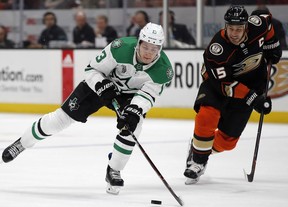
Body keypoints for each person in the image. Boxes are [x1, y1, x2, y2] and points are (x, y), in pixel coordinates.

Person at [1, 22, 174, 195]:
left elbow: (148, 95)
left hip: (129, 96)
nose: (149, 53)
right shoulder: (120, 48)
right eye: (146, 47)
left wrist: (135, 111)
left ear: (159, 49)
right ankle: (22, 143)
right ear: (139, 43)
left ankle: (114, 170)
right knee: (60, 119)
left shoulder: (163, 69)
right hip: (101, 85)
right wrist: (102, 85)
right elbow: (92, 70)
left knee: (133, 126)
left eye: (154, 49)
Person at [184, 5, 282, 184]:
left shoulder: (257, 24)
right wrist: (253, 98)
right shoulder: (217, 49)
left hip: (252, 84)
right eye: (231, 28)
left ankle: (199, 149)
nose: (234, 33)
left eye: (239, 29)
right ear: (225, 26)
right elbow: (225, 85)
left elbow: (267, 19)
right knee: (207, 115)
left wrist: (272, 43)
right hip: (218, 85)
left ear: (246, 26)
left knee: (228, 142)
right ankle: (197, 161)